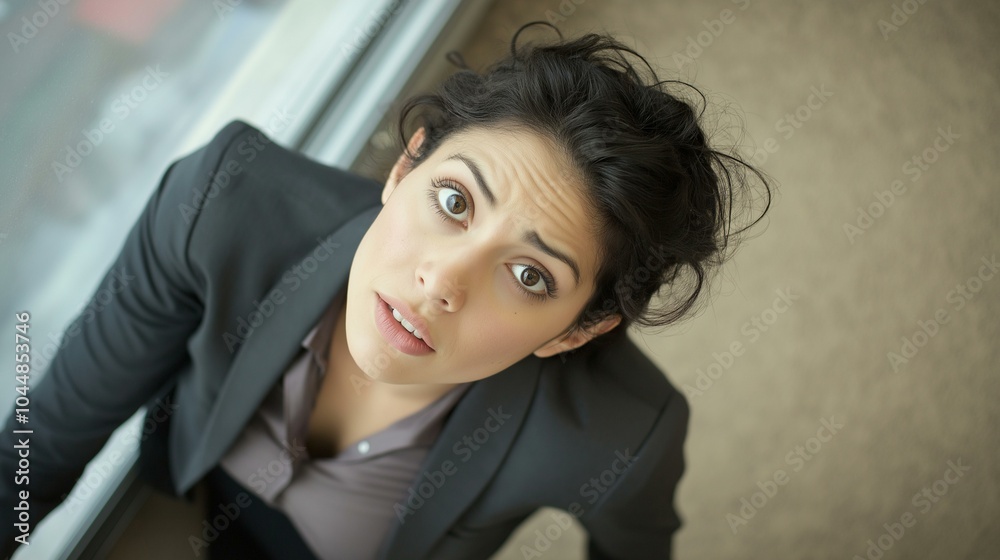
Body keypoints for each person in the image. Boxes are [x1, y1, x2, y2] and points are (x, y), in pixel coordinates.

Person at [0, 21, 770, 560]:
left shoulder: (618, 438)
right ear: (406, 168)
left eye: (531, 276)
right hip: (195, 472)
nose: (442, 281)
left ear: (573, 332)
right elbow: (42, 446)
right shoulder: (221, 206)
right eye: (455, 202)